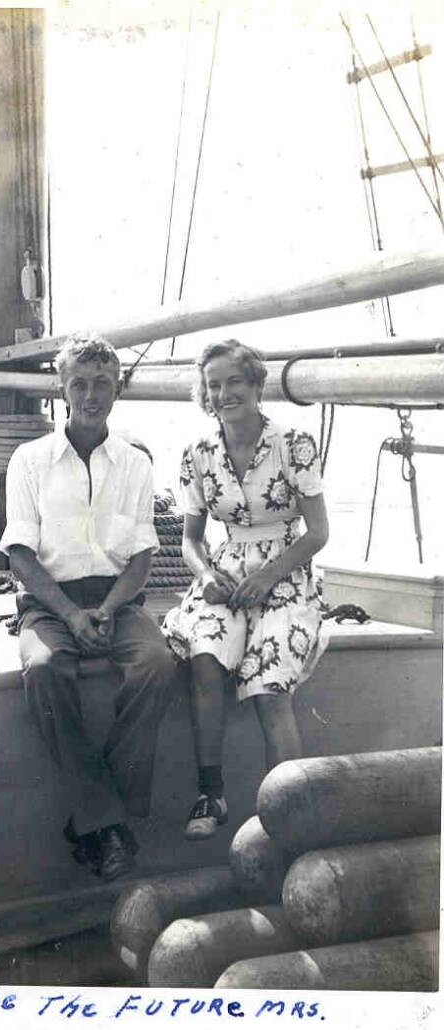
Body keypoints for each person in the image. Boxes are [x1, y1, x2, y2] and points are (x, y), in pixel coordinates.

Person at [0, 332, 179, 882]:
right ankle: (108, 819)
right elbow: (21, 557)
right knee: (47, 668)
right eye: (80, 383)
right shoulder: (29, 460)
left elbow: (143, 557)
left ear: (117, 388)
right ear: (62, 388)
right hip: (48, 604)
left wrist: (104, 609)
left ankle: (97, 817)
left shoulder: (134, 464)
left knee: (156, 663)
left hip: (117, 602)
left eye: (103, 383)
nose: (91, 394)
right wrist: (72, 615)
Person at [162, 340, 329, 841]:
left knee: (268, 683)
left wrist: (268, 577)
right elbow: (191, 541)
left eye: (235, 381)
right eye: (214, 385)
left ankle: (287, 811)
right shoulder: (198, 454)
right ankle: (210, 793)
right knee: (207, 656)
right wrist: (207, 576)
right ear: (204, 394)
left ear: (257, 386)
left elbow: (318, 532)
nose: (224, 393)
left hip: (286, 573)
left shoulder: (293, 443)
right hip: (226, 573)